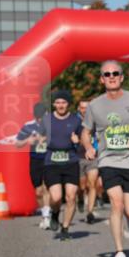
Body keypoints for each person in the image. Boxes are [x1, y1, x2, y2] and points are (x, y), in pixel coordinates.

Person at [81, 61, 129, 257]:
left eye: (115, 73)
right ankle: (119, 252)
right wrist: (88, 147)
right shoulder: (95, 105)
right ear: (101, 79)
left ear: (122, 77)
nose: (111, 76)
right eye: (107, 74)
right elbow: (85, 132)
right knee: (116, 203)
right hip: (108, 160)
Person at [40, 90, 84, 240]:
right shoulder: (46, 120)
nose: (60, 105)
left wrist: (78, 142)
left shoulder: (76, 121)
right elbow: (38, 136)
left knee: (71, 197)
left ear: (68, 104)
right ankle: (55, 213)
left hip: (71, 161)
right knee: (56, 197)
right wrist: (40, 139)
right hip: (52, 162)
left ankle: (65, 228)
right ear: (53, 104)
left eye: (63, 102)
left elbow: (83, 143)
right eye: (58, 102)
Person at [15, 102, 51, 228]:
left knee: (47, 187)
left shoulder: (52, 123)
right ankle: (44, 212)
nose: (41, 119)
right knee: (38, 191)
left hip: (49, 158)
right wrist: (27, 140)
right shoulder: (28, 126)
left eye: (43, 116)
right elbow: (17, 143)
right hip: (35, 159)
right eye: (39, 117)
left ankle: (47, 216)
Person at [77, 99, 101, 224]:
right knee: (81, 186)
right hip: (78, 157)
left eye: (87, 107)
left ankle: (90, 212)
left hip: (93, 157)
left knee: (92, 184)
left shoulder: (96, 121)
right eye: (82, 107)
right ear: (78, 109)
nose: (85, 110)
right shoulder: (74, 122)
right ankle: (80, 198)